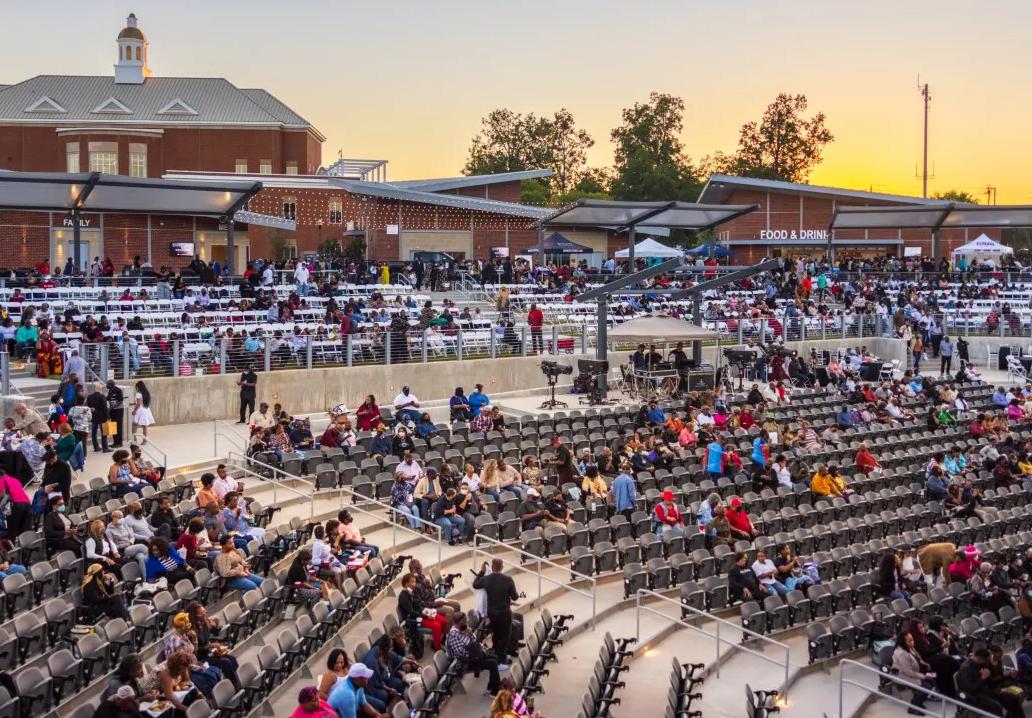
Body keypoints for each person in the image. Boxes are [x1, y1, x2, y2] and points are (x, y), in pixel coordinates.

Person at [474, 558, 519, 665]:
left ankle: (498, 657)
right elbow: (515, 597)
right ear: (502, 567)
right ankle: (501, 661)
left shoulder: (486, 579)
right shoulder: (508, 579)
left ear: (492, 567)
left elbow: (475, 584)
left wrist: (482, 572)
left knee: (496, 635)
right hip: (504, 613)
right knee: (504, 637)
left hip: (492, 613)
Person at [446, 611, 501, 695]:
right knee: (492, 663)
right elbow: (459, 653)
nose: (466, 622)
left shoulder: (463, 629)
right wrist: (476, 654)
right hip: (463, 662)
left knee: (494, 657)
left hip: (472, 657)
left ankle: (491, 686)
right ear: (459, 622)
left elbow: (474, 642)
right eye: (464, 620)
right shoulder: (453, 635)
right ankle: (494, 691)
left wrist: (470, 634)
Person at [398, 572, 448, 651]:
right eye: (412, 582)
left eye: (414, 581)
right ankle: (437, 648)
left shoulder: (412, 592)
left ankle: (437, 640)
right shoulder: (403, 596)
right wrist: (426, 616)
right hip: (414, 620)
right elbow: (411, 613)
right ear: (406, 583)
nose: (414, 584)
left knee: (444, 621)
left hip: (422, 613)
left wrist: (427, 611)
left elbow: (419, 604)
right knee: (437, 626)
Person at [893, 631, 934, 715]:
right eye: (909, 640)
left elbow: (918, 659)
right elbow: (908, 672)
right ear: (903, 642)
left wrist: (925, 664)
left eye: (912, 639)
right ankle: (913, 707)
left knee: (931, 681)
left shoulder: (910, 649)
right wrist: (923, 676)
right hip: (902, 676)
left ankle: (918, 703)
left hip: (911, 673)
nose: (912, 642)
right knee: (926, 687)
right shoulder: (901, 653)